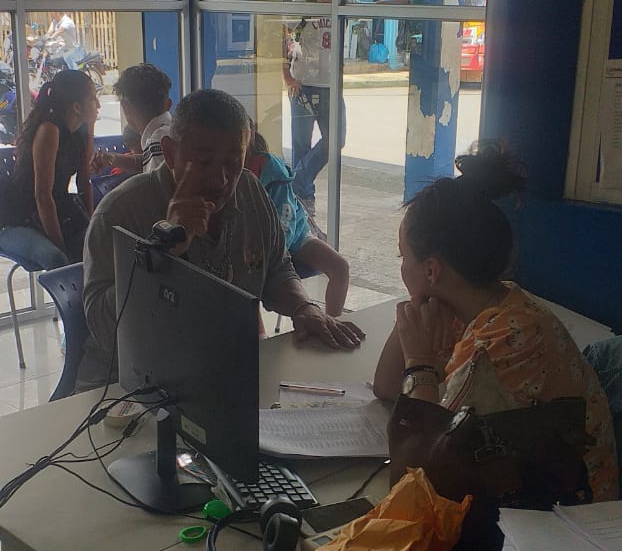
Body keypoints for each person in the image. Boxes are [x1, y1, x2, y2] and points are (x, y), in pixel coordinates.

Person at [373, 144, 618, 503]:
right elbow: (386, 385)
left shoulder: (502, 343)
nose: (401, 267)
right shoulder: (490, 301)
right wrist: (418, 304)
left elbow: (426, 474)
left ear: (432, 269)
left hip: (570, 519)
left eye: (403, 256)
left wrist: (421, 363)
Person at [77, 88, 365, 390]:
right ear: (170, 153)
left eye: (233, 163)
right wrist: (163, 250)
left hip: (220, 369)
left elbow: (276, 269)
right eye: (203, 163)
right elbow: (103, 328)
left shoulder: (250, 191)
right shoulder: (120, 212)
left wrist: (303, 308)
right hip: (127, 382)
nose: (221, 179)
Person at [245, 127, 349, 316]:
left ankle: (333, 322)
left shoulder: (272, 170)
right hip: (254, 243)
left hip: (293, 237)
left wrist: (272, 258)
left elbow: (286, 222)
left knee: (339, 267)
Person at [0, 69, 99, 263]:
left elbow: (83, 181)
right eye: (93, 99)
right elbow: (42, 196)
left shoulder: (84, 128)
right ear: (76, 107)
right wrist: (61, 246)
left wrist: (92, 225)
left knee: (98, 244)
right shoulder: (49, 129)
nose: (99, 105)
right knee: (58, 258)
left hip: (55, 208)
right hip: (19, 217)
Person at [283, 0, 346, 220]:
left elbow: (376, 7)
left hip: (331, 86)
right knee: (301, 145)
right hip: (303, 87)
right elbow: (281, 33)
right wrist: (287, 76)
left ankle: (296, 181)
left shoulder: (345, 3)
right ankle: (303, 203)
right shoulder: (304, 4)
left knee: (336, 139)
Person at [91, 63, 173, 178]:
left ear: (125, 106)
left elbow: (156, 181)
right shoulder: (169, 132)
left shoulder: (157, 143)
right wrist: (113, 159)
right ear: (168, 104)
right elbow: (149, 161)